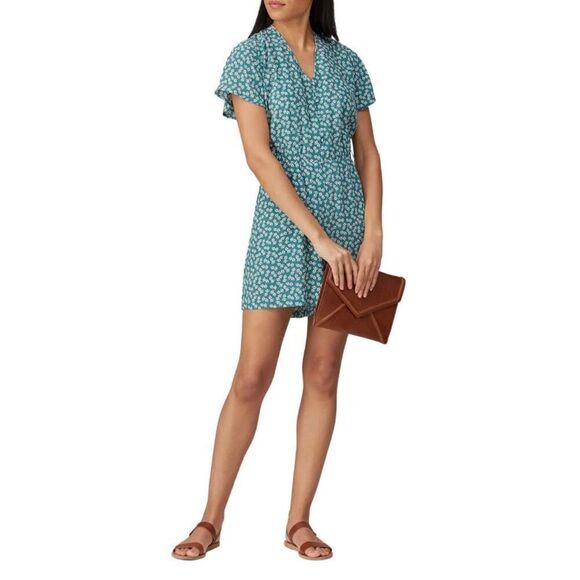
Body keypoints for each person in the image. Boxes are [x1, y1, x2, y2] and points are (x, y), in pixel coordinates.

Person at [172, 0, 382, 561]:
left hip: (347, 234)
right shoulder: (250, 58)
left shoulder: (348, 63)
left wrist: (373, 235)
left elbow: (367, 152)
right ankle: (210, 520)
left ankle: (299, 522)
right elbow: (258, 156)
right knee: (252, 376)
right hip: (283, 232)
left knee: (323, 374)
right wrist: (319, 238)